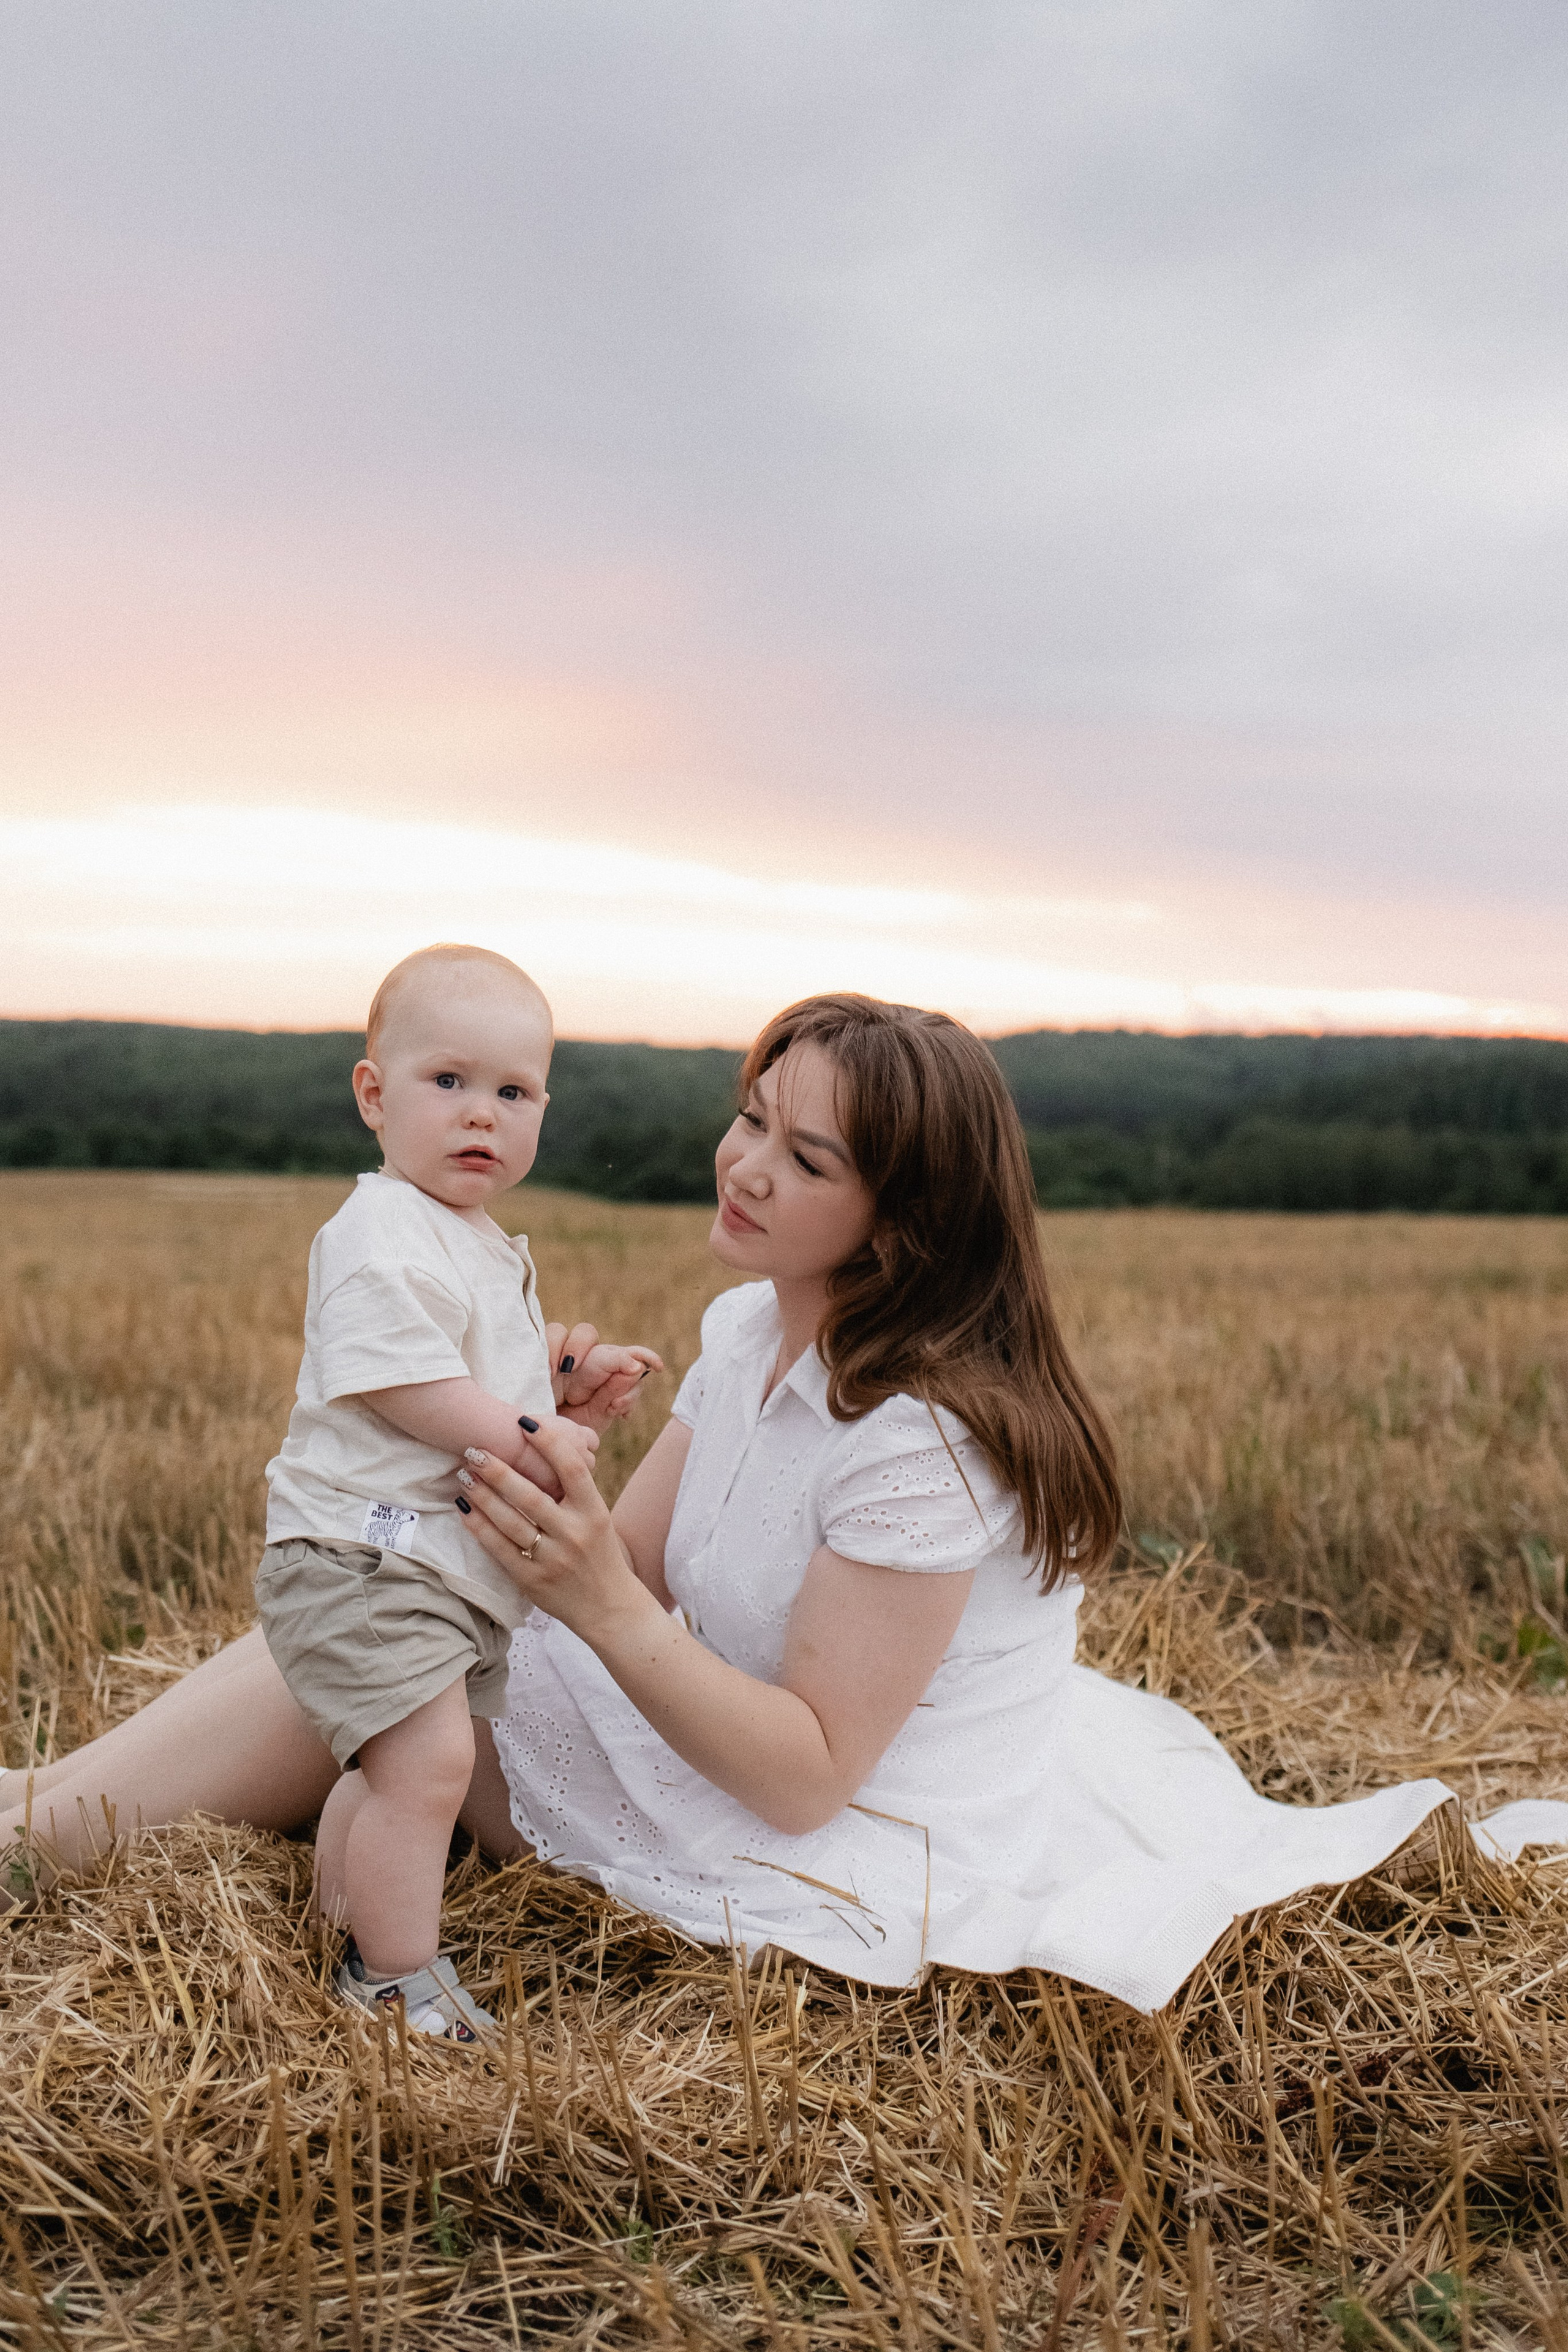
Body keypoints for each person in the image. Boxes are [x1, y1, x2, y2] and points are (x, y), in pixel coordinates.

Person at [5, 993, 1564, 2016]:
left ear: (897, 1225)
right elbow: (620, 1563)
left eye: (800, 1156)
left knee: (390, 1658)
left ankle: (38, 1828)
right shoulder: (755, 1322)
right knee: (397, 1613)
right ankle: (49, 1813)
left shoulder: (925, 1442)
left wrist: (583, 1598)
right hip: (714, 1719)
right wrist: (544, 1440)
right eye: (751, 1115)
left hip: (821, 1815)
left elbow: (806, 1775)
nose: (740, 1165)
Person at [249, 942, 658, 2039]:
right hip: (362, 1552)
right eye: (451, 1083)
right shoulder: (382, 1229)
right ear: (374, 1096)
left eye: (514, 1093)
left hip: (430, 1562)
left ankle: (349, 1929)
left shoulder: (470, 1238)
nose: (484, 1115)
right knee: (429, 1763)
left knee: (400, 1766)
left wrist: (567, 1401)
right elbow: (408, 1387)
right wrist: (537, 1437)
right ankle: (395, 1978)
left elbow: (479, 1385)